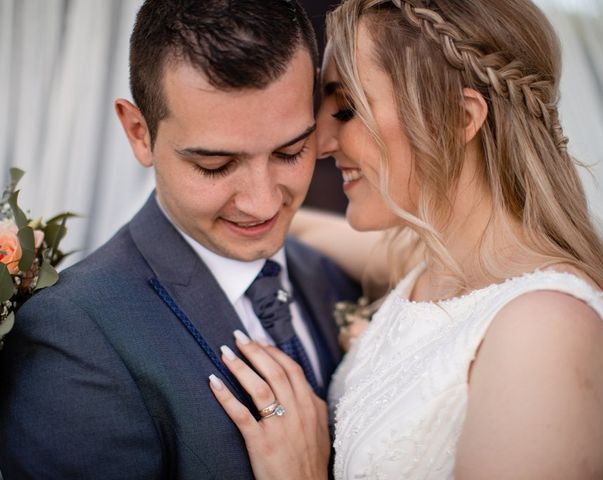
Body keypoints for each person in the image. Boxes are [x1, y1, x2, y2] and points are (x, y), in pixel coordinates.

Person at [208, 0, 603, 478]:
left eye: (347, 108)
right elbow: (297, 227)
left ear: (458, 119)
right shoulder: (438, 266)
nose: (322, 141)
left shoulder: (547, 332)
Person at [0, 1, 360, 478]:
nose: (262, 202)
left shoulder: (330, 278)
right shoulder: (72, 336)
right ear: (139, 133)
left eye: (291, 152)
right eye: (215, 165)